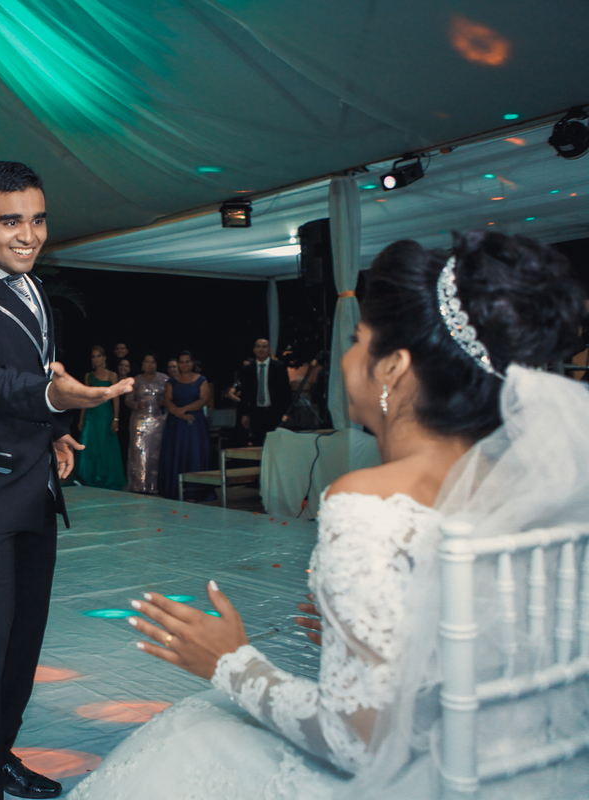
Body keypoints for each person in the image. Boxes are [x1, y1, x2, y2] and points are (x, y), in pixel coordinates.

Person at [69, 231, 588, 800]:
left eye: (357, 340)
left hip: (419, 780)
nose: (344, 359)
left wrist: (231, 662)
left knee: (191, 735)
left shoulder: (368, 499)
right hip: (523, 768)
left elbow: (356, 742)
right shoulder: (528, 488)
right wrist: (397, 650)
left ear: (391, 368)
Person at [0, 160, 133, 800]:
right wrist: (56, 398)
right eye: (11, 221)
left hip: (32, 489)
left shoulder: (30, 287)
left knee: (17, 654)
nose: (28, 235)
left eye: (38, 220)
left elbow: (20, 386)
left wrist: (53, 431)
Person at [157, 351, 213, 500]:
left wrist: (184, 409)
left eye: (187, 361)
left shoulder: (201, 380)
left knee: (194, 454)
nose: (185, 364)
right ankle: (175, 489)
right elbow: (167, 400)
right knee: (176, 453)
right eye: (182, 362)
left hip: (195, 422)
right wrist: (179, 413)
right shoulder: (172, 382)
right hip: (176, 424)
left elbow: (204, 400)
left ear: (192, 363)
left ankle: (196, 491)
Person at [76, 345, 126, 489]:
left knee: (105, 445)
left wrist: (116, 419)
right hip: (91, 414)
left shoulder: (112, 375)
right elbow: (85, 398)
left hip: (105, 414)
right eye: (93, 356)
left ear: (104, 358)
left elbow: (116, 399)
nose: (96, 359)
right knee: (90, 445)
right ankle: (88, 477)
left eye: (98, 355)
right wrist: (81, 419)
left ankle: (106, 478)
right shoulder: (88, 376)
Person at [125, 353, 169, 494]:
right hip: (140, 420)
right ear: (142, 364)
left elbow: (171, 396)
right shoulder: (136, 380)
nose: (150, 365)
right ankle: (139, 486)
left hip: (159, 420)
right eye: (147, 362)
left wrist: (164, 401)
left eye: (153, 362)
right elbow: (128, 399)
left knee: (156, 454)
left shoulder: (164, 379)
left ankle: (155, 486)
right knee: (139, 453)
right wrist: (137, 405)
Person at [237, 338, 290, 445]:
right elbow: (245, 394)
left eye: (264, 347)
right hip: (256, 412)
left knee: (276, 443)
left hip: (275, 412)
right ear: (254, 350)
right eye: (258, 346)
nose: (261, 349)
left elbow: (286, 391)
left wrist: (286, 412)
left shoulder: (279, 367)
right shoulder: (247, 370)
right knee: (258, 442)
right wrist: (244, 414)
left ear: (270, 350)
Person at [115, 357, 133, 460]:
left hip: (127, 417)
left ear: (129, 369)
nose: (123, 367)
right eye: (121, 365)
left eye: (126, 366)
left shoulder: (132, 384)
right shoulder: (112, 382)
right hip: (114, 415)